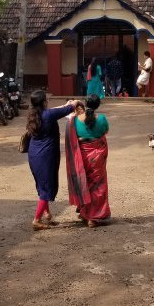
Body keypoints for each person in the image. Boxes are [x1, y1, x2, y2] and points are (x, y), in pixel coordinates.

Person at [26, 90, 80, 231]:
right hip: (46, 156)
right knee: (47, 186)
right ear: (44, 102)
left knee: (42, 184)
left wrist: (65, 105)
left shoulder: (34, 114)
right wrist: (73, 103)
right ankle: (37, 220)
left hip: (34, 155)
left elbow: (55, 110)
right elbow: (70, 108)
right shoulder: (48, 115)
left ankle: (47, 214)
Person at [65, 94, 110, 228]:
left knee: (83, 182)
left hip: (82, 155)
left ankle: (85, 212)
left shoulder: (74, 120)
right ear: (98, 105)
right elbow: (105, 131)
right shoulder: (102, 119)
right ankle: (93, 217)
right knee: (97, 185)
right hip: (98, 156)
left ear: (85, 103)